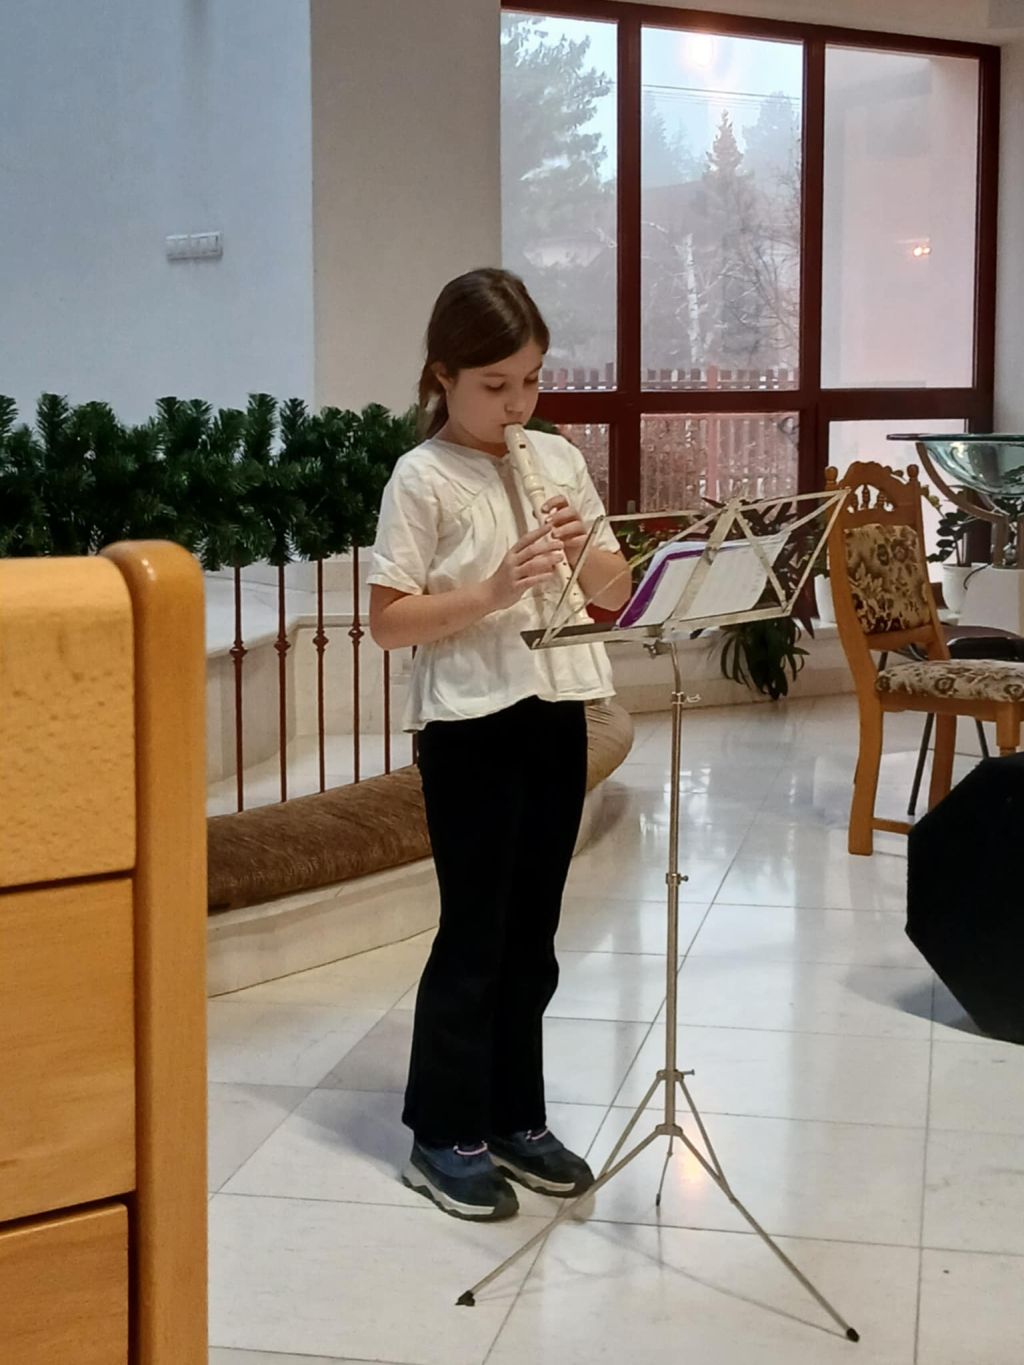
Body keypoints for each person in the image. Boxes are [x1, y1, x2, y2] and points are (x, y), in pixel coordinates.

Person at [368, 268, 631, 1221]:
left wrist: (580, 543)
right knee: (475, 934)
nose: (518, 404)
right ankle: (442, 1132)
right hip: (471, 723)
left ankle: (516, 1115)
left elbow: (613, 591)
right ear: (444, 375)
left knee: (535, 933)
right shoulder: (422, 476)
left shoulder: (556, 458)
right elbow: (388, 620)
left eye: (532, 380)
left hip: (559, 707)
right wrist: (492, 588)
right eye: (496, 385)